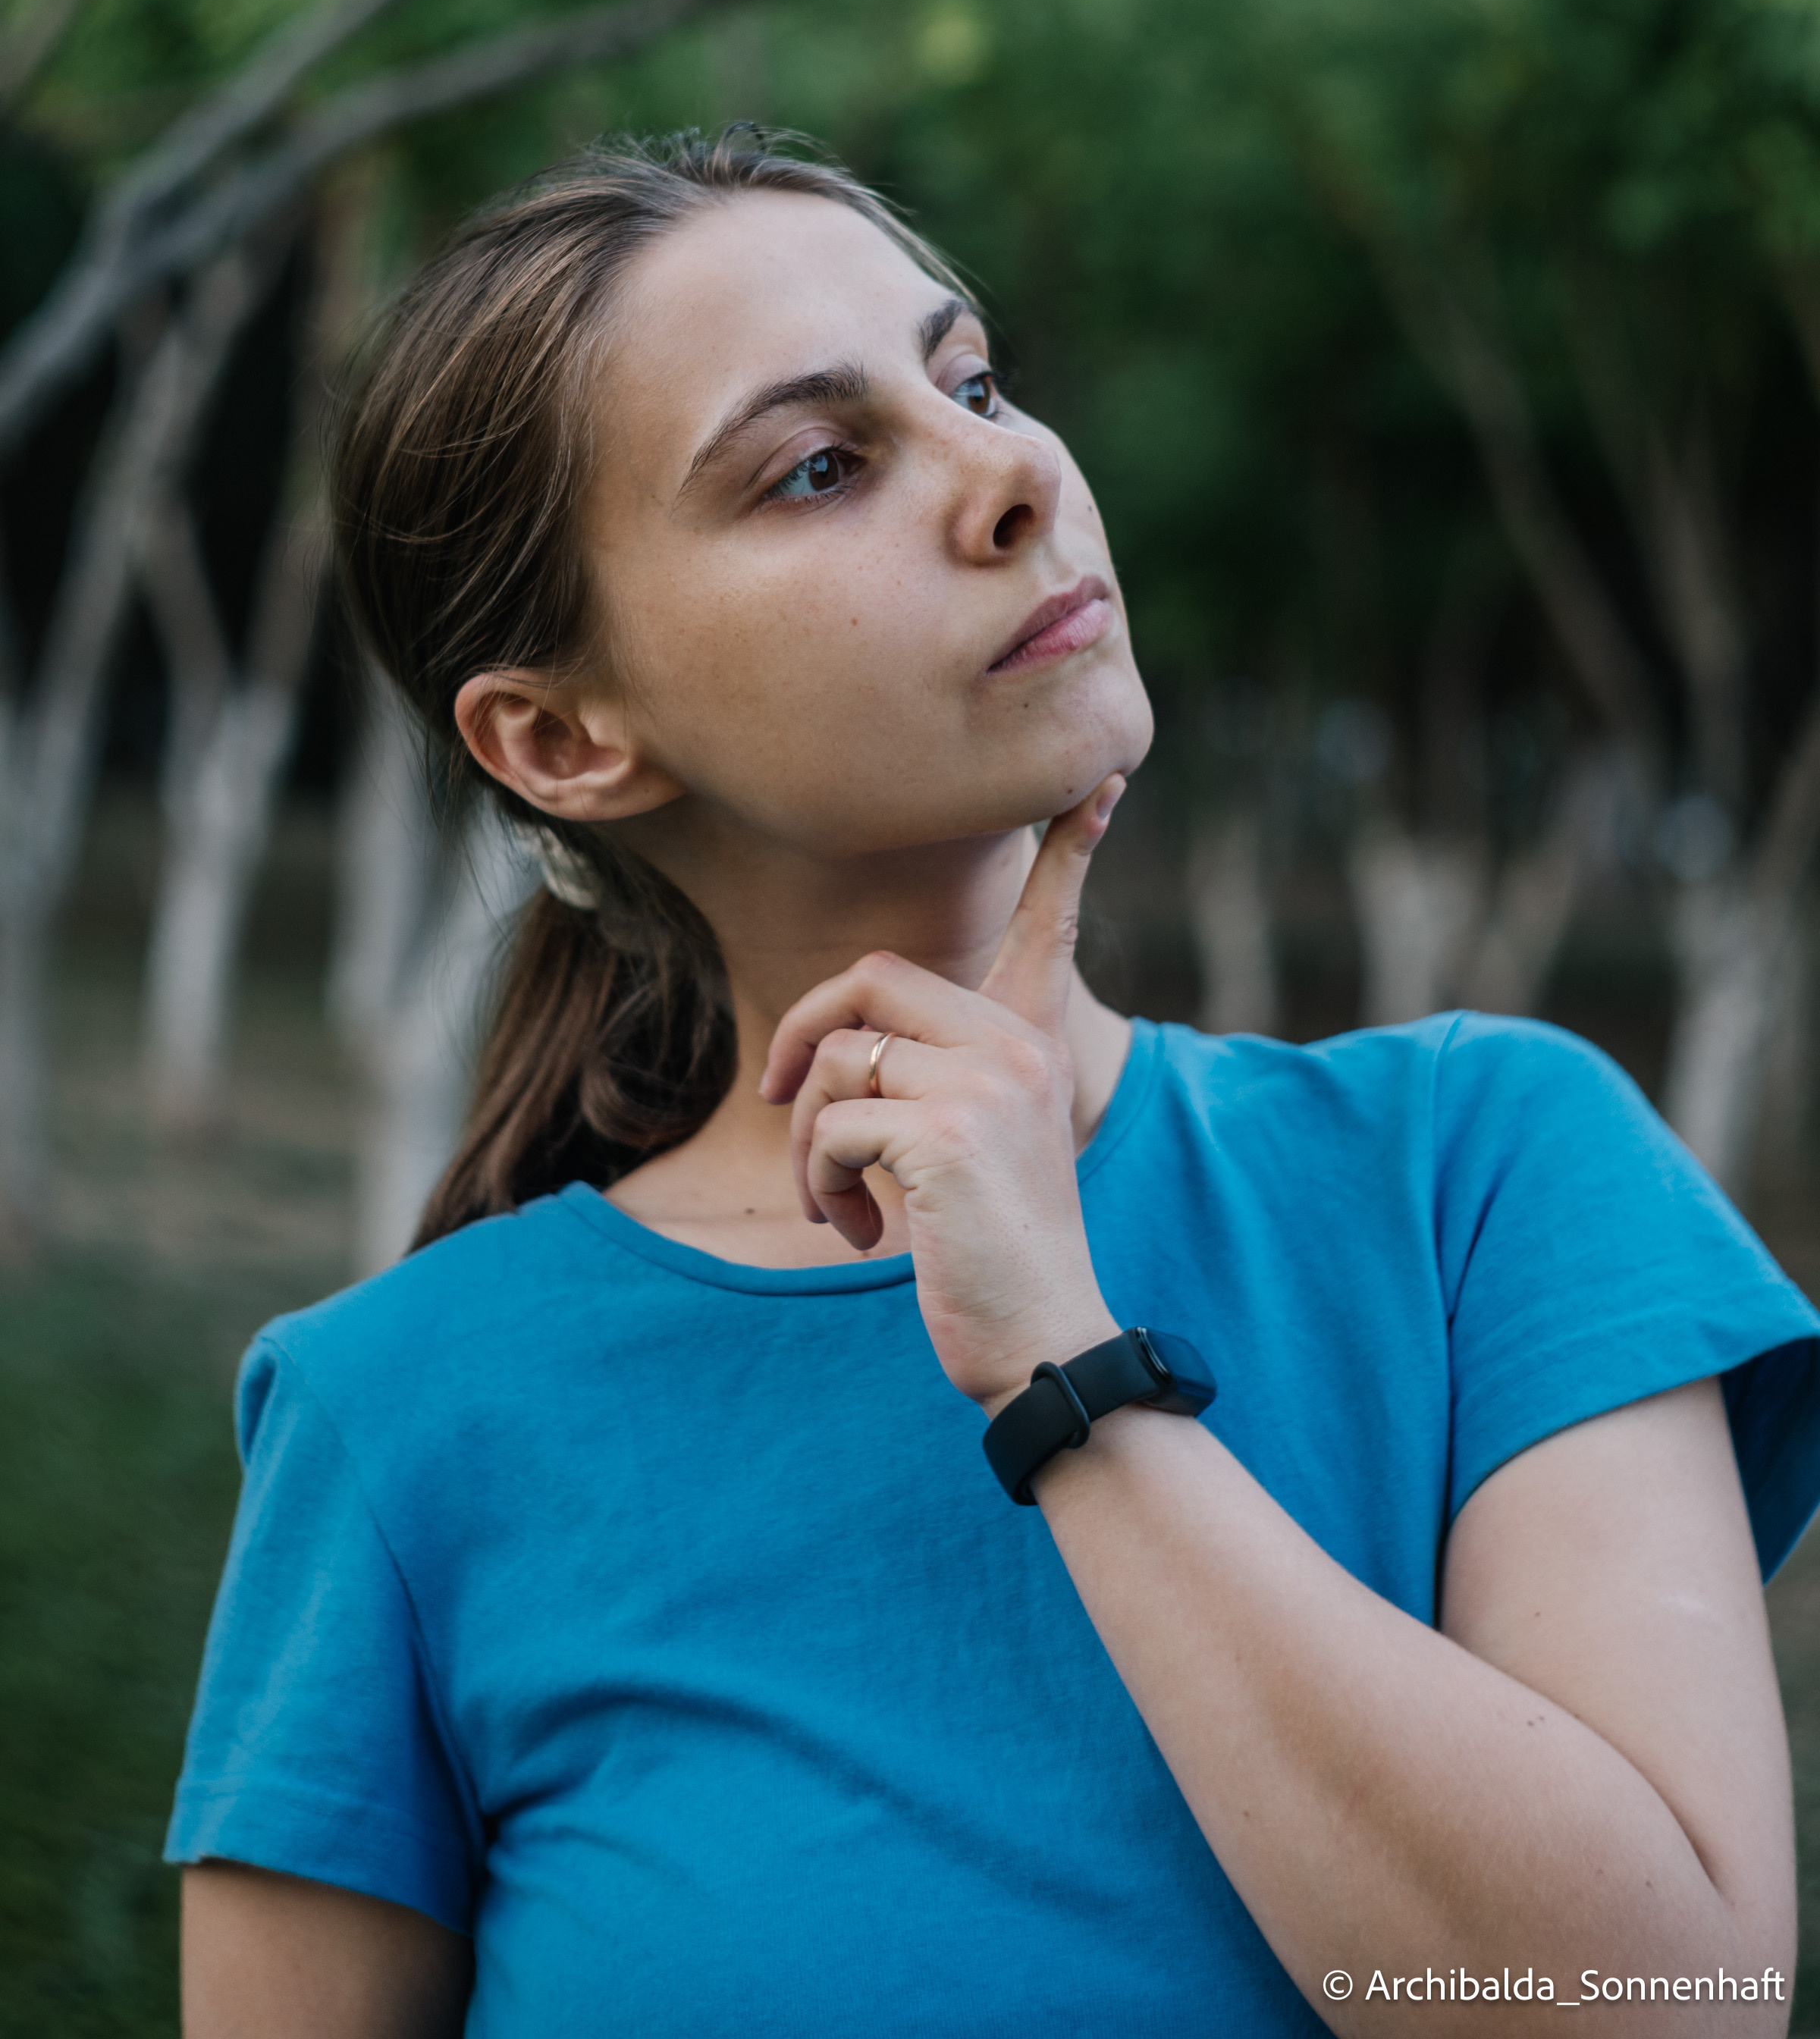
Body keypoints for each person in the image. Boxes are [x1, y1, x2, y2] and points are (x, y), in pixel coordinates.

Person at [169, 133, 1820, 2039]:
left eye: (971, 382)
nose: (1016, 473)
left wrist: (1071, 1371)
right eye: (820, 465)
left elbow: (1663, 2018)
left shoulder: (1483, 1170)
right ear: (561, 735)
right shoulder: (398, 1416)